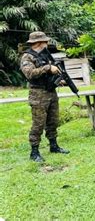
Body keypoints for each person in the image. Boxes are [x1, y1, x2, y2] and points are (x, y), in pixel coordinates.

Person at [20, 31, 70, 163]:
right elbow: (30, 73)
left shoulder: (45, 55)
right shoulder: (27, 57)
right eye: (45, 42)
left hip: (51, 92)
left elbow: (48, 74)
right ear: (39, 43)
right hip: (38, 94)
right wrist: (48, 68)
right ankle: (34, 152)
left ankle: (54, 146)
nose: (47, 44)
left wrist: (58, 80)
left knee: (53, 121)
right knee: (38, 124)